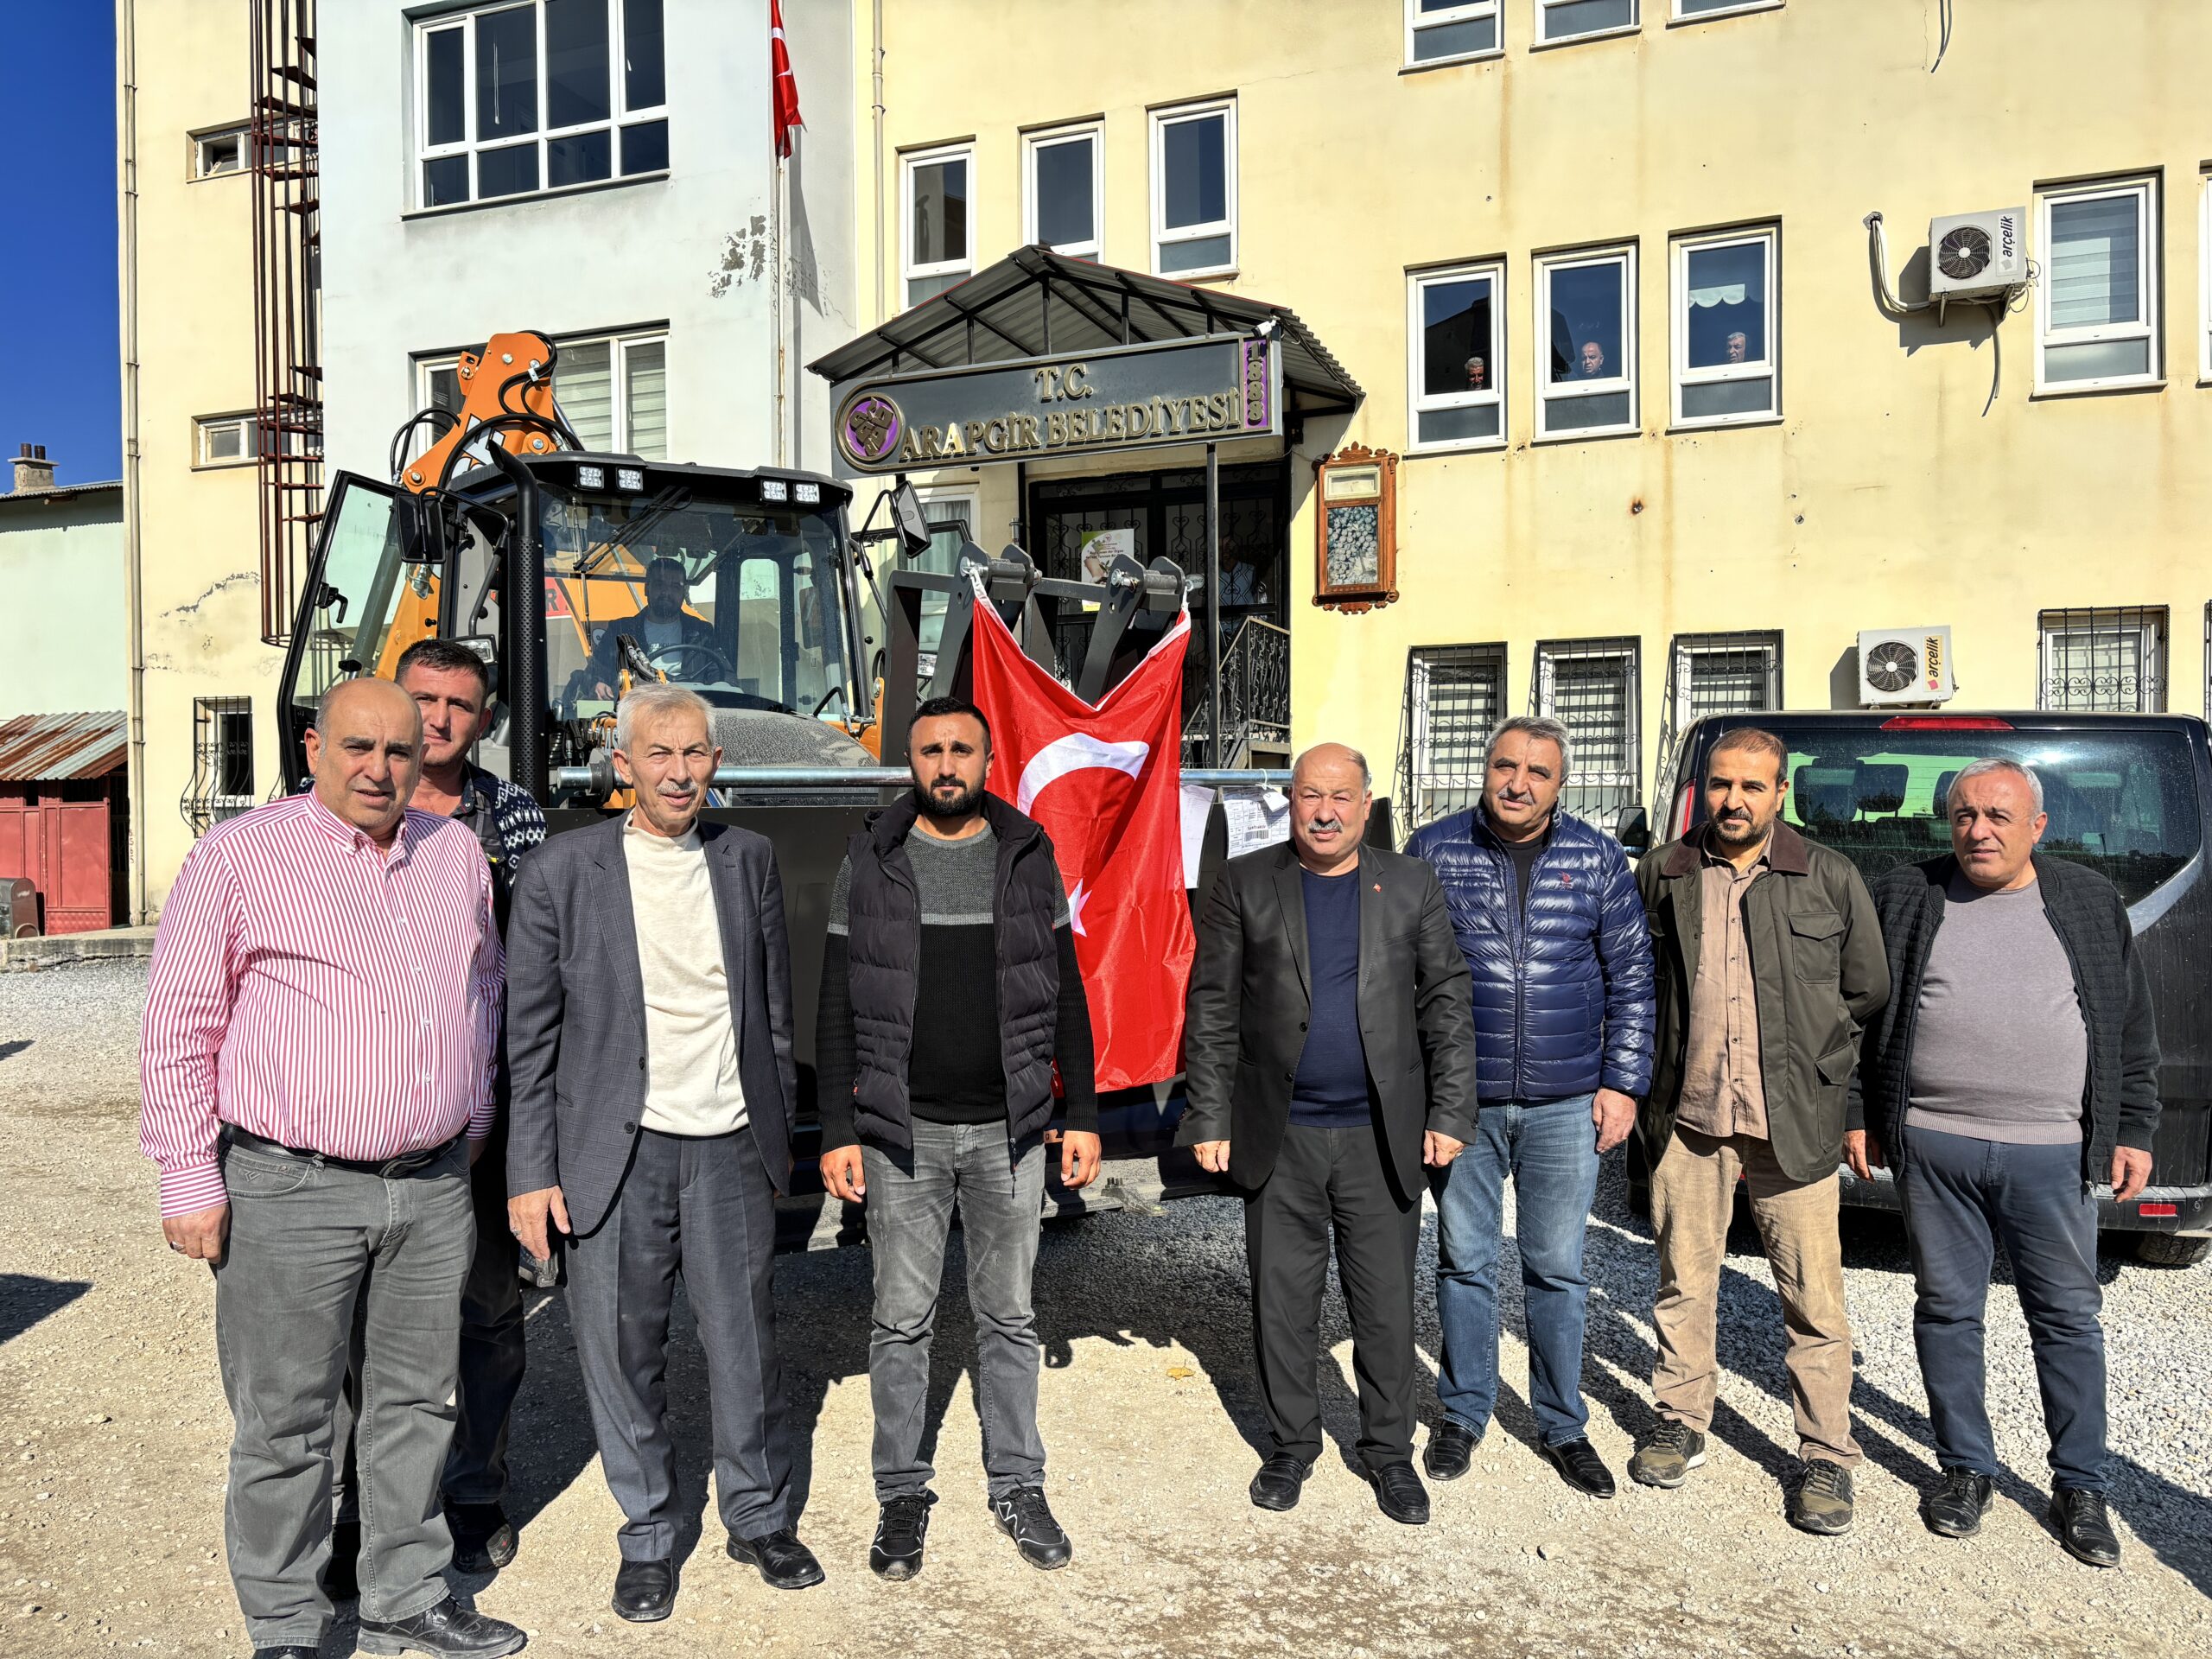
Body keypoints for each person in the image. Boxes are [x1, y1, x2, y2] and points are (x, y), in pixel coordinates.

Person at [139, 677, 524, 1659]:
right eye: (358, 748)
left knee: (415, 1403)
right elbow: (182, 1023)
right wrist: (189, 1179)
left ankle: (405, 1592)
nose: (380, 769)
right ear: (314, 748)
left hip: (432, 1185)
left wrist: (472, 1113)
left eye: (399, 752)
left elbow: (481, 992)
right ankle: (287, 1624)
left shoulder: (455, 857)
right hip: (289, 1186)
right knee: (289, 1422)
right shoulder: (241, 857)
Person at [505, 683, 820, 1622]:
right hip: (616, 1148)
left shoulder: (748, 859)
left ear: (715, 765)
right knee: (621, 1349)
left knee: (745, 1346)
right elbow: (529, 1038)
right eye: (660, 754)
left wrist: (779, 1130)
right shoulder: (563, 872)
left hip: (729, 1145)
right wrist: (531, 1172)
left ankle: (757, 1515)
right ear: (623, 764)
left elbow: (769, 1008)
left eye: (695, 755)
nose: (679, 773)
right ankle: (647, 1533)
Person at [815, 696, 1102, 1581]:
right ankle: (902, 1491)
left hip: (1009, 1132)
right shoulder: (869, 859)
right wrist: (835, 1129)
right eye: (931, 750)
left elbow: (1064, 992)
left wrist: (1081, 1112)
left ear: (986, 761)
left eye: (961, 750)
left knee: (1008, 1317)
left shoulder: (1025, 854)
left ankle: (1017, 1482)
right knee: (900, 1320)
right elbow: (836, 1005)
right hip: (902, 1136)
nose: (946, 764)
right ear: (912, 762)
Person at [1848, 759, 2158, 1567]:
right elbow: (1861, 1013)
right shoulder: (1909, 893)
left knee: (2065, 1318)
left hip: (2052, 1152)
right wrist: (1859, 1113)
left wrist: (2133, 1127)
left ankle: (2081, 1485)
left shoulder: (2088, 901)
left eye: (1996, 816)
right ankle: (1964, 1470)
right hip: (1933, 1142)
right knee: (1948, 1311)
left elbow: (2130, 1028)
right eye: (1963, 815)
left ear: (2037, 827)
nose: (1977, 830)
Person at [1180, 743, 1478, 1526]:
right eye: (1311, 795)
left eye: (1341, 797)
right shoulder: (1246, 882)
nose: (1324, 812)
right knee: (1283, 1304)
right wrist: (1208, 1115)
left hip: (1381, 1136)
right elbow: (1211, 1007)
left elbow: (1445, 1000)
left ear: (1367, 801)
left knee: (1384, 1307)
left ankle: (1388, 1454)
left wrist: (1451, 1112)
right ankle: (1290, 1448)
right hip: (1281, 1136)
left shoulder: (1408, 883)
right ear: (1291, 798)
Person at [324, 641, 549, 1595]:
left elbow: (542, 956)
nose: (443, 720)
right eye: (426, 700)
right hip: (363, 1111)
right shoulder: (341, 818)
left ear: (484, 719)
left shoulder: (517, 817)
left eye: (461, 704)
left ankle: (472, 1492)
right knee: (357, 1327)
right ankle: (362, 1505)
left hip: (485, 1106)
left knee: (490, 1314)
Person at [1632, 727, 1888, 1535]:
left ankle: (1825, 1454)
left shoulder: (1827, 875)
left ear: (1781, 793)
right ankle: (1680, 1418)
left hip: (1794, 1121)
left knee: (1813, 1295)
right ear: (1703, 790)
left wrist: (1821, 1077)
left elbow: (1866, 994)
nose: (1733, 800)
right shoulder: (1665, 872)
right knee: (1684, 1278)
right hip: (1691, 1114)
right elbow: (1640, 983)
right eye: (1719, 785)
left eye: (1752, 786)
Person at [1405, 716, 1654, 1497]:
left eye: (1537, 772)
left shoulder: (1598, 856)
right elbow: (1401, 972)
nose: (1518, 783)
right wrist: (1422, 1092)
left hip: (1566, 1102)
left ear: (1560, 784)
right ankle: (1464, 1413)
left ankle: (1561, 1423)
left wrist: (1623, 1083)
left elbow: (1633, 978)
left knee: (1556, 1267)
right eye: (1505, 766)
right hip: (1463, 1101)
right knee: (1465, 1260)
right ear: (1485, 770)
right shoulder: (1434, 849)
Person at [587, 555, 719, 698]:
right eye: (660, 585)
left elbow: (721, 675)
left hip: (689, 707)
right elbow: (595, 673)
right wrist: (598, 684)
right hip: (637, 709)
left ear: (684, 592)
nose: (666, 593)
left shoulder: (701, 632)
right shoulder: (620, 631)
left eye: (675, 587)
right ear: (647, 588)